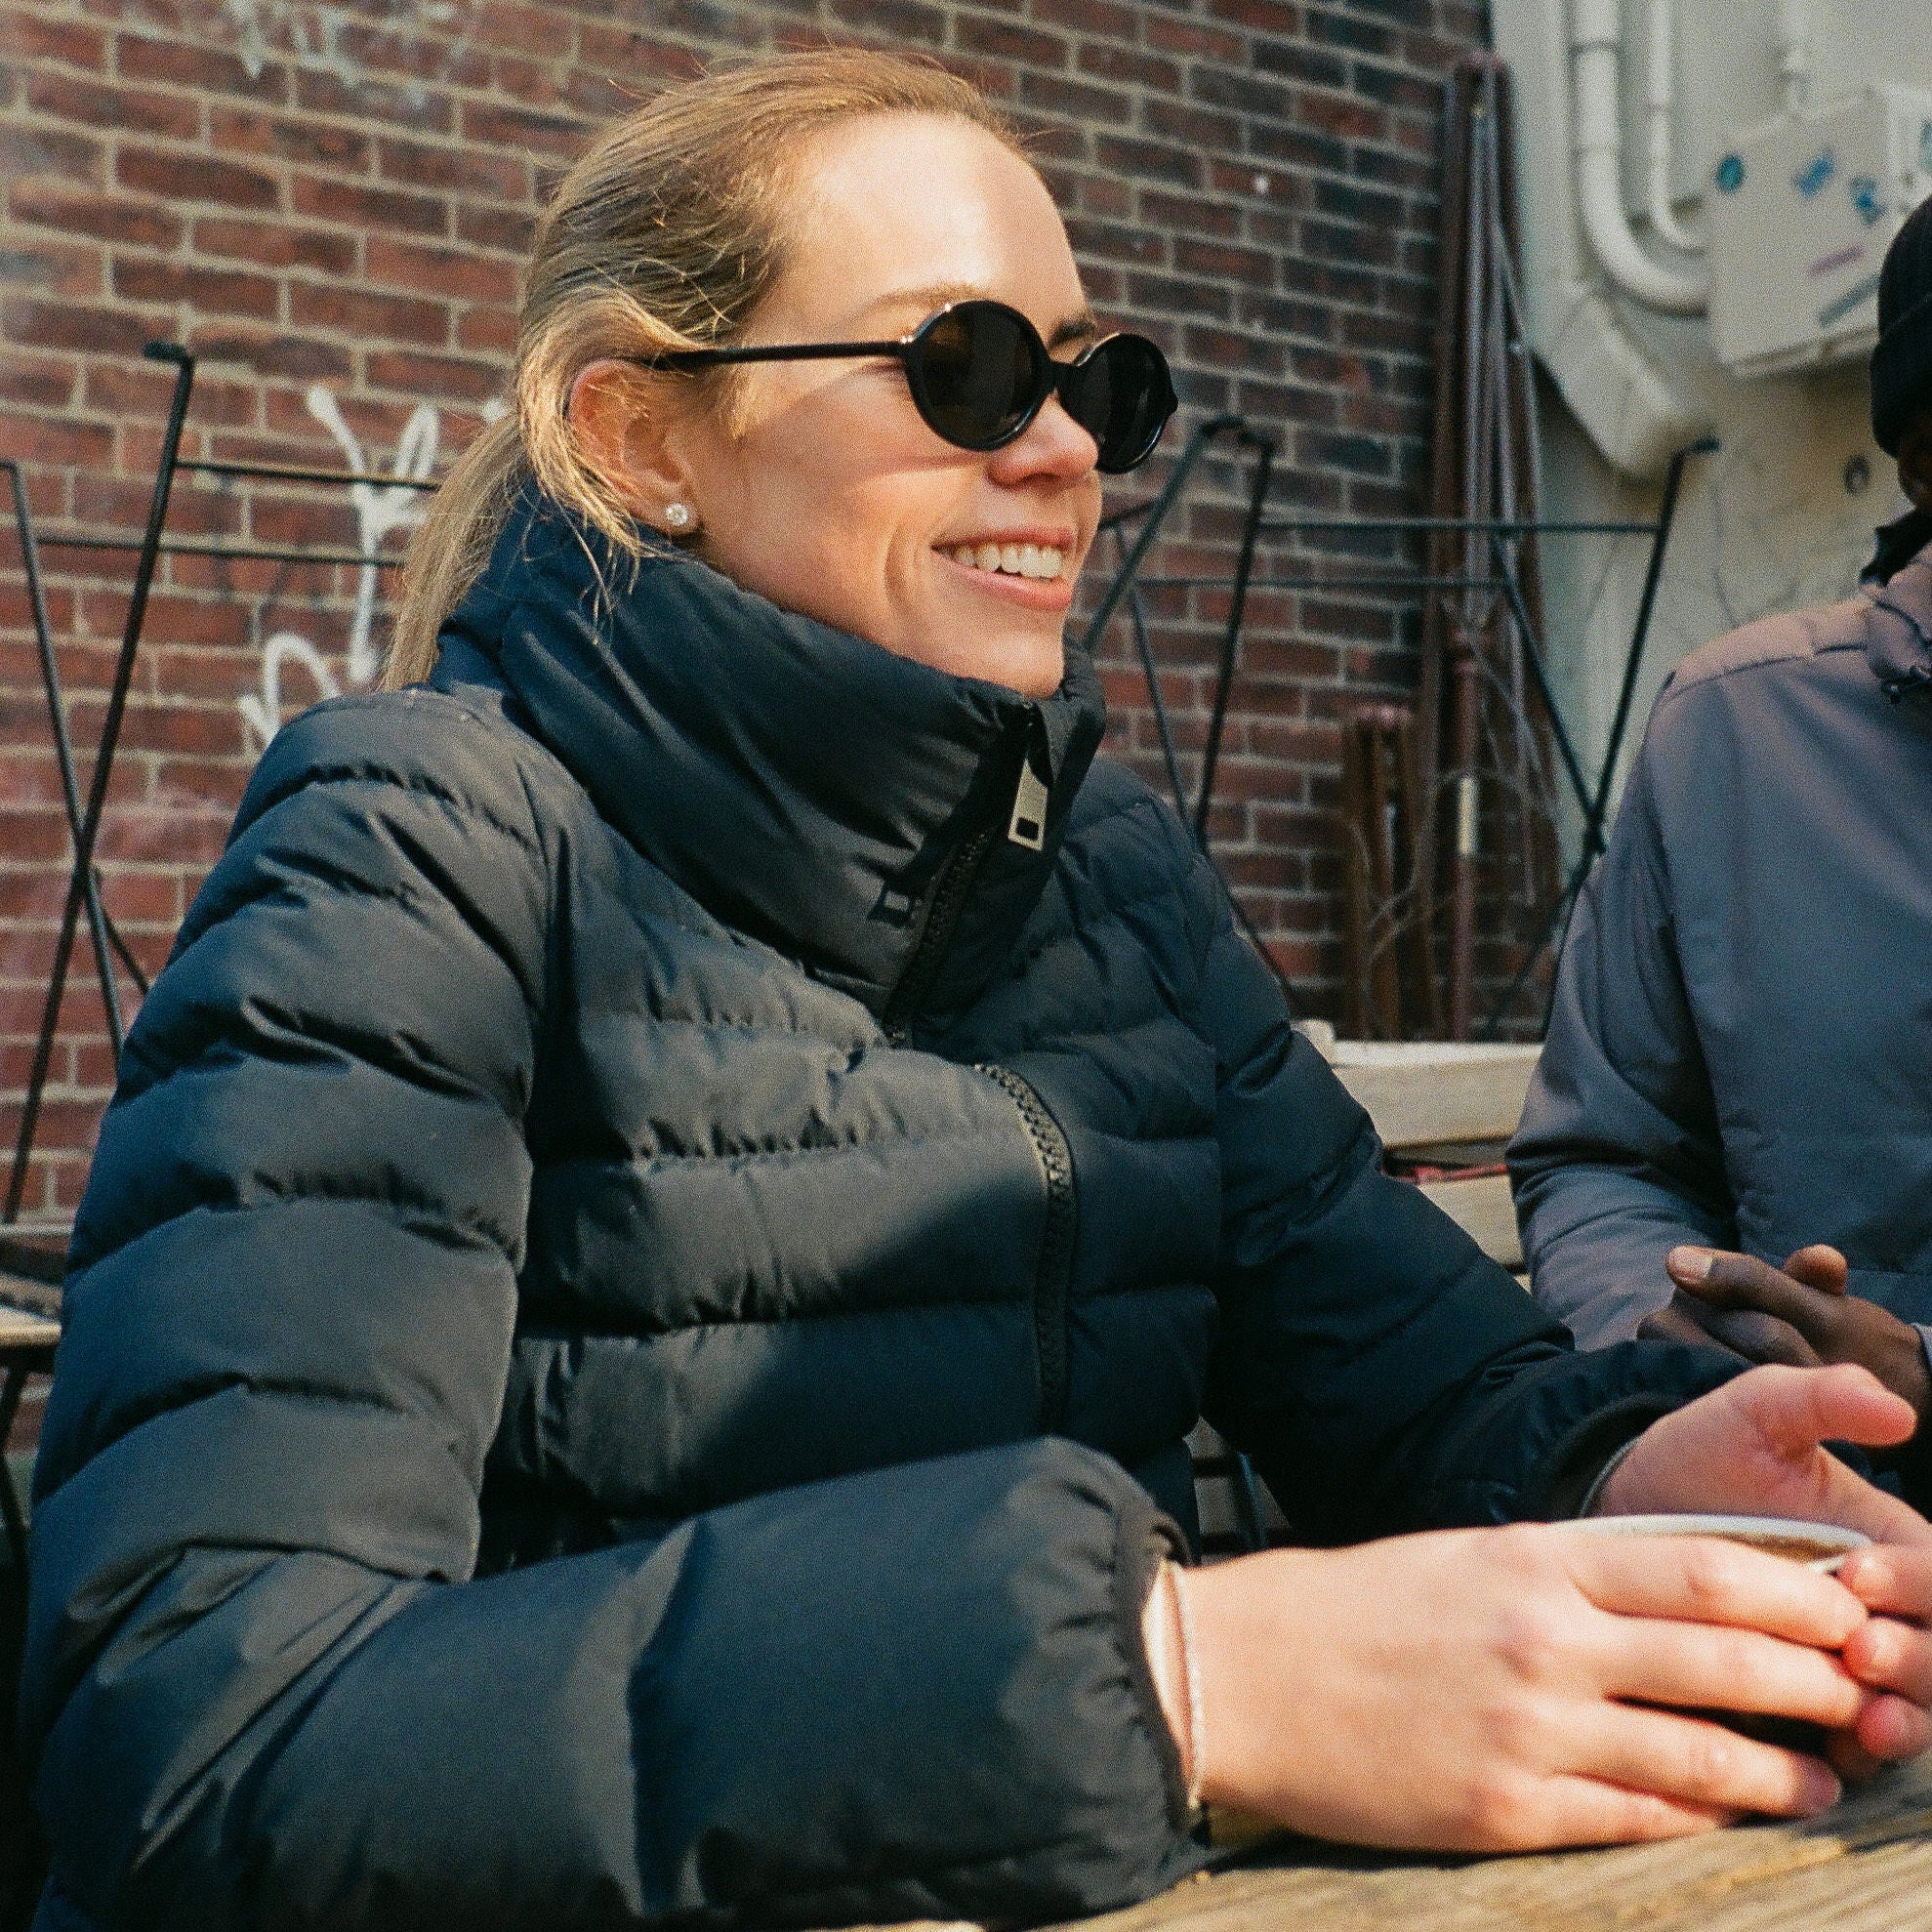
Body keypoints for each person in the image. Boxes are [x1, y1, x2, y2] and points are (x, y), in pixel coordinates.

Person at [22, 51, 1932, 1932]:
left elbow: (1430, 1389)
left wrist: (1636, 1464)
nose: (1067, 448)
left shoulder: (1106, 874)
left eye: (1096, 377)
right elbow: (200, 1735)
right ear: (639, 439)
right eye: (966, 369)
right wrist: (1182, 1676)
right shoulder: (414, 852)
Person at [1509, 197, 1932, 1508]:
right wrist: (1685, 1343)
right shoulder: (1735, 736)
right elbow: (1607, 1155)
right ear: (1922, 456)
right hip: (1814, 1564)